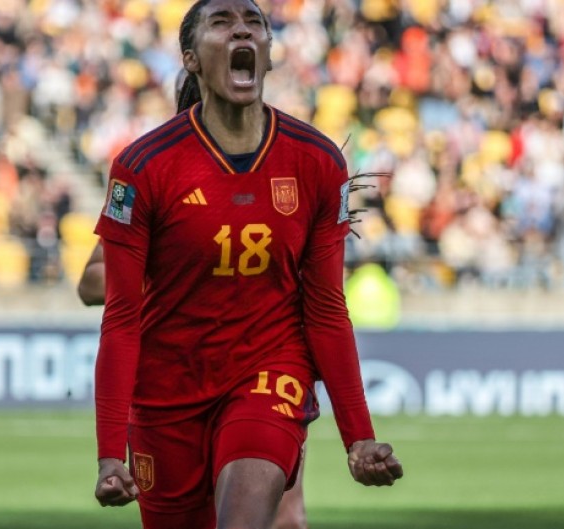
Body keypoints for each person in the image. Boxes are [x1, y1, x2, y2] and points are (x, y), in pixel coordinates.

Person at [92, 1, 403, 528]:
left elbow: (326, 308)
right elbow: (122, 317)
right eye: (221, 21)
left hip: (269, 371)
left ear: (267, 54)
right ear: (191, 58)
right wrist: (108, 452)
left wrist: (359, 437)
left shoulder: (318, 161)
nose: (241, 28)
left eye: (254, 22)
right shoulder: (144, 166)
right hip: (169, 389)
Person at [79, 241, 310, 529]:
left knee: (285, 518)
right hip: (176, 381)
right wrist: (174, 276)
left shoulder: (288, 205)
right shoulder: (162, 200)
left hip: (259, 373)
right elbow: (89, 284)